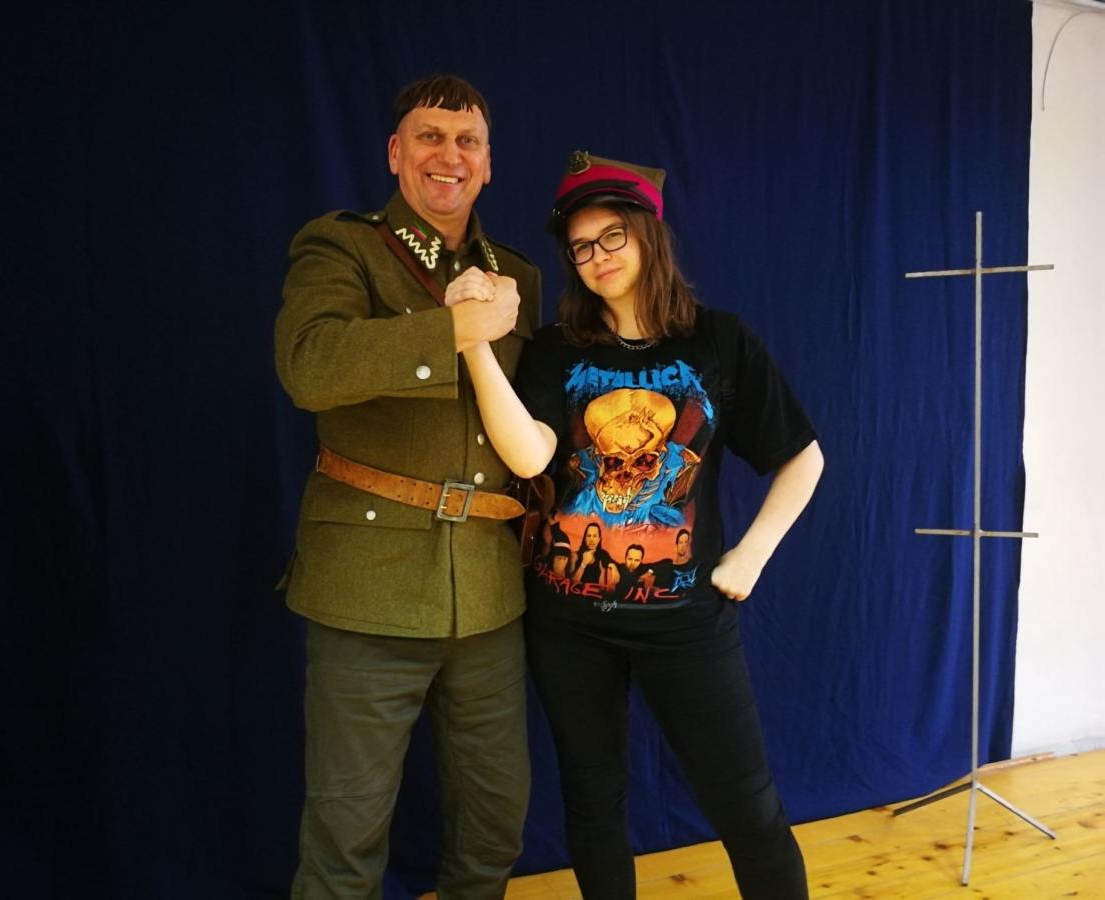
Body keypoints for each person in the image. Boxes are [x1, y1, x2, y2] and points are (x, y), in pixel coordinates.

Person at [451, 151, 823, 898]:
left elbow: (802, 457)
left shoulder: (718, 342)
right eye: (580, 246)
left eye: (612, 235)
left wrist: (751, 555)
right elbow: (530, 456)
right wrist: (472, 345)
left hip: (685, 622)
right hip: (568, 624)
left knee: (746, 805)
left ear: (649, 233)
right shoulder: (557, 351)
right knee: (593, 801)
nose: (597, 256)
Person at [272, 74, 541, 899]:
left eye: (467, 142)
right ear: (396, 153)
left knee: (495, 820)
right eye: (429, 137)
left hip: (488, 592)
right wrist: (453, 328)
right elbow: (309, 366)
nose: (448, 155)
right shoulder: (342, 248)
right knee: (346, 838)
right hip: (368, 588)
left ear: (488, 163)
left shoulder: (516, 276)